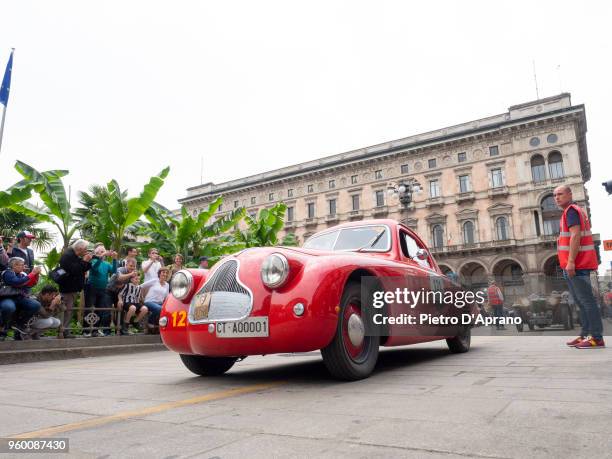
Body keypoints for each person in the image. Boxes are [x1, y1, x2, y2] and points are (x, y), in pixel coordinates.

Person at [554, 186, 605, 348]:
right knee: (581, 301)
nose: (557, 197)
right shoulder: (571, 211)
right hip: (575, 264)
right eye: (555, 195)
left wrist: (570, 262)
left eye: (560, 194)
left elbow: (575, 235)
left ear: (570, 194)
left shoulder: (571, 211)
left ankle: (596, 337)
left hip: (577, 265)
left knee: (586, 301)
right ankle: (585, 334)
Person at [56, 239, 93, 339]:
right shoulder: (67, 255)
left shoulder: (75, 255)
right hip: (67, 288)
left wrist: (88, 261)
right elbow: (74, 270)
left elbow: (82, 268)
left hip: (72, 288)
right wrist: (84, 260)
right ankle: (63, 331)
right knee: (66, 310)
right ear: (80, 248)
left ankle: (64, 331)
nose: (86, 251)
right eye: (85, 249)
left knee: (69, 310)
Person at [0, 257, 42, 340]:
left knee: (36, 305)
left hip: (19, 297)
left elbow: (30, 284)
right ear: (14, 265)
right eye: (22, 265)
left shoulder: (22, 274)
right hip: (7, 297)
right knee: (9, 307)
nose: (24, 267)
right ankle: (3, 326)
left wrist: (36, 275)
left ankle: (20, 323)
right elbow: (16, 282)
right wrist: (32, 273)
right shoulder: (7, 272)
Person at [84, 244, 118, 337]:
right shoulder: (93, 260)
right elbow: (94, 268)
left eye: (104, 251)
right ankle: (86, 330)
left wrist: (115, 259)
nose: (104, 253)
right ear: (97, 253)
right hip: (92, 288)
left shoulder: (106, 264)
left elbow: (114, 271)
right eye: (101, 252)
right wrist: (102, 256)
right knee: (89, 309)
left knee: (99, 310)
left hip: (103, 289)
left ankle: (95, 330)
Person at [142, 268, 170, 333]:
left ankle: (160, 326)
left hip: (160, 303)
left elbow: (167, 297)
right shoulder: (154, 281)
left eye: (166, 273)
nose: (165, 274)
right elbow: (141, 286)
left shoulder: (167, 285)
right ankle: (150, 322)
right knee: (159, 309)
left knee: (167, 310)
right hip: (149, 302)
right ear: (159, 274)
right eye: (163, 272)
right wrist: (141, 298)